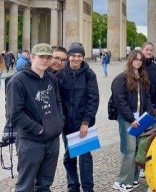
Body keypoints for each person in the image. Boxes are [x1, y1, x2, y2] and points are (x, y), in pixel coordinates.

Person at [9, 43, 65, 192]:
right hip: (30, 141)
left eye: (48, 57)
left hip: (52, 140)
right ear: (32, 57)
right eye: (41, 57)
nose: (45, 60)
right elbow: (15, 114)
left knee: (45, 183)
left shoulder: (51, 78)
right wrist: (39, 129)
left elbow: (58, 102)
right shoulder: (18, 81)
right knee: (25, 185)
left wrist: (60, 122)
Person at [58, 42, 100, 192]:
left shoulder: (89, 74)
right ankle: (73, 186)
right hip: (66, 123)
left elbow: (93, 99)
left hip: (83, 123)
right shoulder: (60, 74)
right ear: (69, 56)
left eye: (79, 56)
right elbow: (57, 100)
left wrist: (86, 122)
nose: (76, 58)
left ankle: (88, 188)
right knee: (69, 156)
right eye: (73, 55)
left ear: (83, 57)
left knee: (85, 157)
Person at [111, 50, 153, 191]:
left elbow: (147, 99)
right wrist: (131, 118)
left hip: (140, 119)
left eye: (141, 60)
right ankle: (122, 181)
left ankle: (133, 178)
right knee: (128, 150)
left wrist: (149, 116)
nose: (138, 62)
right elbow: (119, 100)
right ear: (130, 60)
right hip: (127, 119)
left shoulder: (142, 78)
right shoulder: (121, 78)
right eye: (136, 59)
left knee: (137, 149)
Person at [142, 41, 156, 106]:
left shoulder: (154, 67)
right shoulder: (137, 65)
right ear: (142, 50)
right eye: (147, 49)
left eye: (151, 50)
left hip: (152, 103)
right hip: (140, 104)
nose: (149, 52)